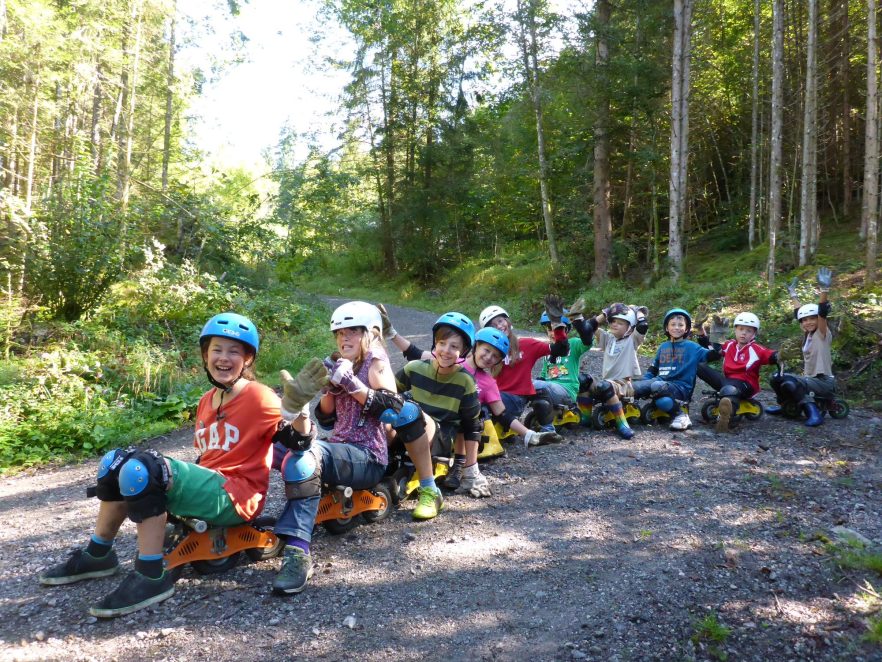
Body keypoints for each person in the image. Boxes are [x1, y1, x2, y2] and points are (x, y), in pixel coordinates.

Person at [38, 313, 322, 617]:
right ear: (205, 355)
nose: (224, 358)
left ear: (247, 359)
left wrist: (299, 411)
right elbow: (206, 457)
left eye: (234, 351)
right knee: (114, 463)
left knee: (142, 470)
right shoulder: (205, 400)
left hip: (236, 495)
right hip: (210, 485)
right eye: (216, 349)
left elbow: (298, 442)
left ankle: (151, 575)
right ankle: (98, 554)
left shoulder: (258, 396)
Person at [272, 301, 411, 595]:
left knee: (307, 458)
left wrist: (352, 384)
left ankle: (298, 552)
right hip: (339, 448)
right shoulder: (339, 363)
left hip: (369, 456)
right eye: (339, 333)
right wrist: (328, 390)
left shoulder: (376, 362)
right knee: (277, 445)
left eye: (352, 332)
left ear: (371, 333)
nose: (344, 338)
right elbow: (327, 419)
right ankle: (238, 516)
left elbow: (393, 410)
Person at [390, 311, 483, 507]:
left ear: (464, 350)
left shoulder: (465, 381)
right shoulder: (414, 368)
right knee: (389, 408)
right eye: (442, 343)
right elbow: (387, 393)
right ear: (435, 343)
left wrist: (471, 469)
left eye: (454, 346)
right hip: (408, 426)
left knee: (413, 413)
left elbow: (472, 426)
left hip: (440, 436)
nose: (446, 351)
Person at [542, 299, 639, 440]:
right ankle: (585, 417)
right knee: (583, 380)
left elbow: (587, 339)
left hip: (623, 384)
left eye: (620, 323)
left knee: (604, 386)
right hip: (607, 381)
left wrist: (605, 314)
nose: (615, 324)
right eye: (613, 321)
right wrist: (579, 319)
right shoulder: (609, 339)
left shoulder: (632, 340)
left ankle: (622, 423)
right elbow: (589, 329)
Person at [478, 298, 570, 437]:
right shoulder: (489, 351)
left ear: (507, 321)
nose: (499, 326)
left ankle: (546, 429)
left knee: (485, 400)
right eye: (493, 325)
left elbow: (561, 349)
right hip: (497, 396)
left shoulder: (527, 345)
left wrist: (557, 323)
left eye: (500, 321)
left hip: (514, 399)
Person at [767, 268, 836, 427]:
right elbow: (799, 313)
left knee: (790, 382)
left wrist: (824, 289)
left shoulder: (822, 333)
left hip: (824, 382)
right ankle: (785, 407)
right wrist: (793, 294)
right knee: (776, 377)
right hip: (810, 380)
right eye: (805, 320)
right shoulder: (808, 334)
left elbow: (822, 312)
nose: (808, 322)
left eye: (812, 318)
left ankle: (814, 413)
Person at [631, 307, 713, 431]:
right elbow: (653, 368)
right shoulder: (663, 346)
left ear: (686, 328)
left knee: (659, 392)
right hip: (661, 383)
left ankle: (681, 415)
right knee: (634, 386)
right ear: (667, 328)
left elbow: (713, 354)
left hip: (681, 387)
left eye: (681, 325)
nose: (676, 327)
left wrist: (702, 333)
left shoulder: (692, 347)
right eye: (673, 324)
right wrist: (642, 383)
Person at [696, 313, 779, 433]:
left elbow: (771, 355)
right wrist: (701, 329)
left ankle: (726, 417)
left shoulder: (756, 349)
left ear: (754, 333)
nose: (743, 333)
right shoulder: (729, 345)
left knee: (729, 389)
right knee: (699, 366)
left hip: (746, 385)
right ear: (735, 330)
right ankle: (725, 402)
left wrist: (780, 355)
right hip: (727, 382)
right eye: (741, 329)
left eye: (748, 331)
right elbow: (711, 348)